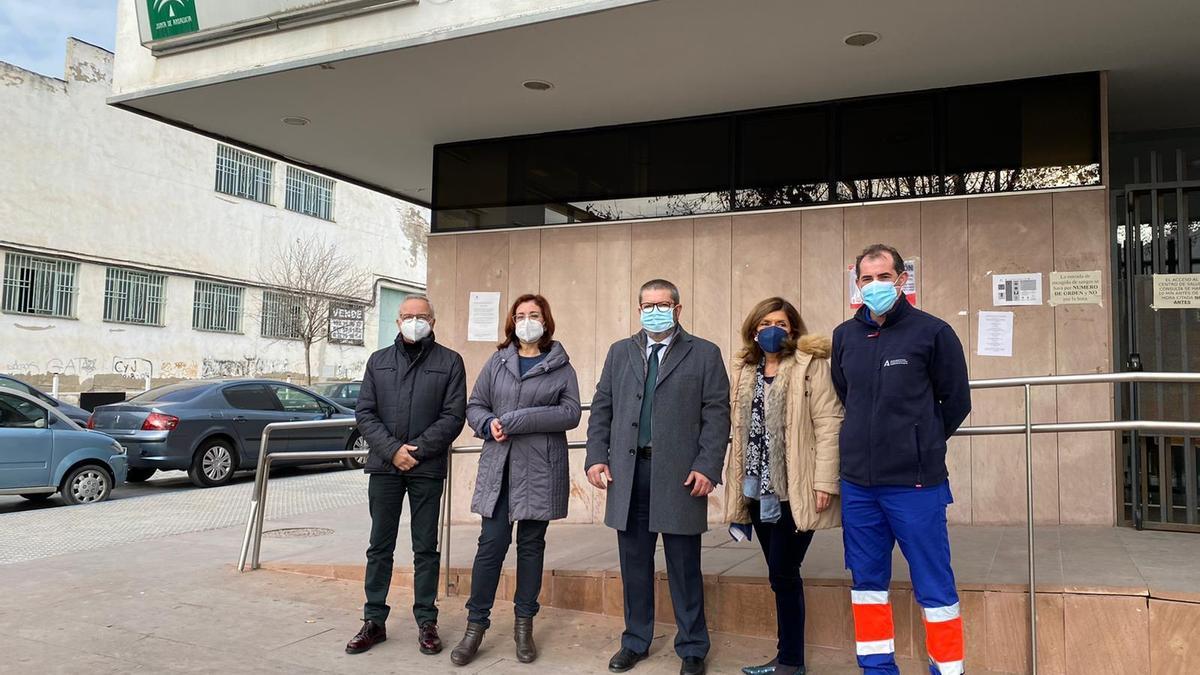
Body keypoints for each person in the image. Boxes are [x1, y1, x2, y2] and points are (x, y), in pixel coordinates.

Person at [831, 245, 971, 675]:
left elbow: (956, 401)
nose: (875, 286)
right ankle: (877, 669)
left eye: (883, 277)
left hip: (915, 485)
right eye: (866, 279)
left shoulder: (933, 332)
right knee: (867, 587)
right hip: (859, 486)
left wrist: (919, 441)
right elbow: (844, 393)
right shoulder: (844, 335)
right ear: (857, 283)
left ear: (902, 280)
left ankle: (947, 670)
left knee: (934, 585)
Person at [585, 279, 731, 675]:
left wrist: (707, 465)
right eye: (646, 305)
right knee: (634, 564)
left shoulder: (704, 354)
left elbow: (717, 415)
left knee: (684, 566)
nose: (653, 311)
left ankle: (693, 647)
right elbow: (602, 407)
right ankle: (635, 640)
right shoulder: (620, 353)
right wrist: (596, 456)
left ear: (678, 309)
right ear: (638, 310)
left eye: (661, 305)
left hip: (681, 477)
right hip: (628, 475)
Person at [450, 294, 582, 666]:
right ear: (512, 321)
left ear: (546, 320)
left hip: (540, 469)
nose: (527, 320)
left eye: (534, 314)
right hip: (501, 467)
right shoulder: (498, 361)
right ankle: (475, 626)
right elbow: (475, 404)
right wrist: (486, 424)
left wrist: (519, 420)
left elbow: (571, 412)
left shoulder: (560, 364)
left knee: (530, 546)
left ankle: (524, 627)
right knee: (490, 545)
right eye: (521, 315)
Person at [725, 297, 843, 675]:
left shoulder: (811, 365)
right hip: (758, 488)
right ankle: (786, 657)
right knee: (780, 574)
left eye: (779, 322)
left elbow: (829, 423)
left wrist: (825, 481)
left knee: (783, 571)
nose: (771, 329)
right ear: (753, 329)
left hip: (796, 487)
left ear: (792, 327)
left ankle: (791, 661)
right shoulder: (746, 368)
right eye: (763, 323)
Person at [345, 295, 467, 657]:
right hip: (384, 467)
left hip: (425, 468)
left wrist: (415, 451)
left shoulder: (450, 362)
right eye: (408, 316)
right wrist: (392, 450)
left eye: (422, 316)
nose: (415, 321)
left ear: (434, 320)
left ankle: (427, 621)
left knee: (425, 548)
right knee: (379, 546)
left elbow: (453, 416)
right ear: (397, 322)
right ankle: (373, 621)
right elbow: (365, 412)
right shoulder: (378, 361)